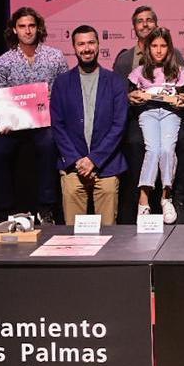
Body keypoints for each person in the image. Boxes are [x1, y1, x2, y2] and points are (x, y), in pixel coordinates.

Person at [0, 7, 69, 223]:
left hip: (45, 122)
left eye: (31, 26)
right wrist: (3, 121)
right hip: (14, 126)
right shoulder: (4, 61)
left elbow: (66, 89)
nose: (27, 31)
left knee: (48, 145)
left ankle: (46, 208)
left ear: (38, 28)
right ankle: (4, 211)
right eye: (22, 26)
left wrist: (54, 97)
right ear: (14, 30)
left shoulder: (55, 56)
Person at [112, 6, 184, 223]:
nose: (158, 50)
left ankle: (167, 197)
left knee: (167, 149)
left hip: (170, 115)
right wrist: (131, 96)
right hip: (144, 115)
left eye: (163, 46)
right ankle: (143, 200)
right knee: (151, 149)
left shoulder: (177, 66)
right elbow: (121, 93)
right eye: (140, 21)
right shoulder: (129, 63)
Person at [50, 25, 128, 225]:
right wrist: (78, 161)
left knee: (109, 234)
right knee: (73, 235)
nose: (86, 48)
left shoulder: (116, 82)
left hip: (107, 166)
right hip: (73, 166)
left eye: (91, 42)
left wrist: (94, 160)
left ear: (98, 45)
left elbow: (119, 126)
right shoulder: (62, 82)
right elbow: (58, 126)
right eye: (81, 44)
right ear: (74, 48)